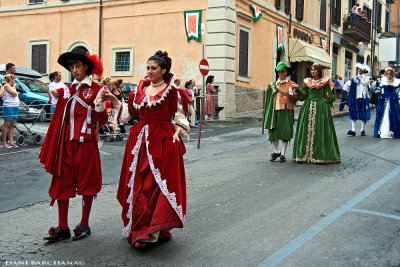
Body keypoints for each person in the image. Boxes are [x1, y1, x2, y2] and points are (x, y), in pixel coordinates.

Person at [115, 51, 189, 249]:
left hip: (163, 141)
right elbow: (127, 115)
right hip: (139, 143)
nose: (149, 71)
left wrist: (178, 132)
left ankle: (153, 230)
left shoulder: (172, 92)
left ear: (164, 70)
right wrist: (114, 102)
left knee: (157, 186)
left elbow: (180, 117)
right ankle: (145, 227)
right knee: (139, 184)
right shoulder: (139, 90)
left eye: (153, 68)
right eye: (148, 68)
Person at [39, 47, 115, 242]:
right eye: (71, 66)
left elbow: (102, 119)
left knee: (87, 182)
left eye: (77, 65)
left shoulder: (98, 90)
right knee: (61, 182)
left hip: (86, 143)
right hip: (65, 143)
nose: (74, 69)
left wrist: (100, 105)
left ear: (86, 67)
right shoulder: (66, 89)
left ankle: (84, 224)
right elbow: (59, 118)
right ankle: (63, 227)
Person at [293, 63, 341, 164]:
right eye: (311, 70)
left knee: (320, 131)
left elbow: (331, 97)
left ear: (319, 71)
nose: (313, 72)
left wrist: (327, 104)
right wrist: (297, 89)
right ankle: (304, 156)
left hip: (321, 109)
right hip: (307, 107)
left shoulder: (325, 82)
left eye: (315, 70)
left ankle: (319, 156)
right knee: (306, 131)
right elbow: (303, 96)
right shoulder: (307, 82)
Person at [263, 62, 298, 162]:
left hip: (287, 110)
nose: (285, 73)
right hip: (275, 111)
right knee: (273, 132)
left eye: (286, 71)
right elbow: (268, 101)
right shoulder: (272, 85)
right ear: (278, 72)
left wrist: (294, 93)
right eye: (283, 72)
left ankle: (283, 154)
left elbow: (295, 99)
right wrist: (267, 113)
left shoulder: (291, 84)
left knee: (285, 132)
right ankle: (277, 151)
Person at [346, 63, 374, 136]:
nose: (359, 70)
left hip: (364, 98)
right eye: (358, 69)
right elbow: (351, 88)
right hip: (356, 98)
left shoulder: (368, 78)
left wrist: (371, 83)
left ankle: (362, 129)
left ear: (364, 70)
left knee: (363, 113)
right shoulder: (355, 78)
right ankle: (353, 130)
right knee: (354, 113)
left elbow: (371, 87)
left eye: (360, 69)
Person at [373, 67, 400, 138]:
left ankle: (392, 131)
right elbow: (377, 91)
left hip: (393, 101)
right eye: (387, 74)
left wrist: (396, 97)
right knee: (382, 115)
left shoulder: (397, 82)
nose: (389, 76)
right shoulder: (383, 82)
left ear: (393, 75)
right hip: (383, 101)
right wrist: (372, 85)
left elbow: (398, 92)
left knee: (393, 115)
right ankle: (381, 131)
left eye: (390, 74)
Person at [1, 74, 19, 148]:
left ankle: (11, 142)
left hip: (15, 107)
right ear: (10, 79)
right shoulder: (6, 85)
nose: (14, 80)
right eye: (13, 79)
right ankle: (4, 142)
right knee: (7, 125)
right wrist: (14, 87)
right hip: (9, 107)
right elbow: (14, 94)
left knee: (13, 125)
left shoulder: (11, 86)